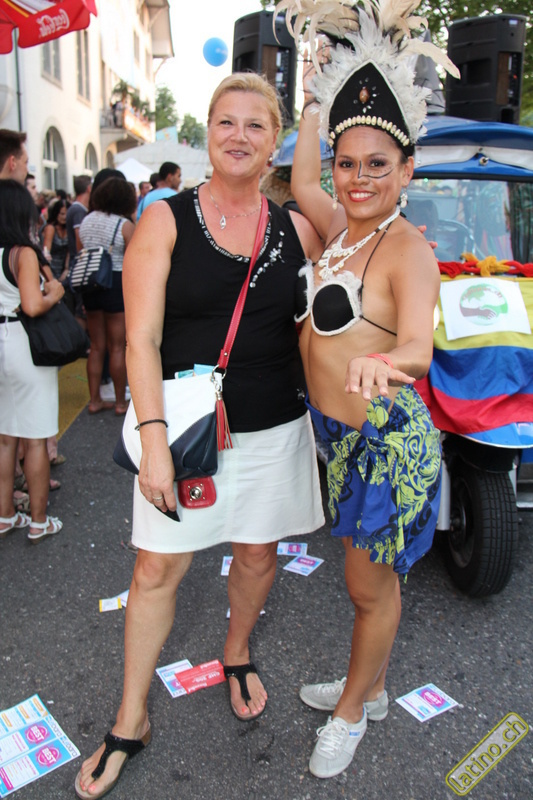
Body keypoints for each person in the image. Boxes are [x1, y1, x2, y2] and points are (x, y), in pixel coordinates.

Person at [74, 72, 325, 800]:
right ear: (207, 132)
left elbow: (364, 251)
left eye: (255, 125)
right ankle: (131, 717)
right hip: (182, 431)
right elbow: (141, 341)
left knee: (257, 554)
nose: (238, 136)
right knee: (156, 569)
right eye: (226, 122)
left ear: (273, 143)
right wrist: (152, 440)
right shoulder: (164, 219)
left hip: (273, 425)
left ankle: (236, 651)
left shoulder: (298, 227)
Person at [282, 0, 459, 780]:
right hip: (340, 439)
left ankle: (352, 712)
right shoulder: (340, 228)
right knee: (370, 584)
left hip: (387, 443)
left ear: (406, 170)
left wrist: (383, 365)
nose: (356, 179)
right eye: (347, 164)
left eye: (376, 165)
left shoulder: (405, 250)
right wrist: (312, 98)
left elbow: (418, 345)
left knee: (364, 588)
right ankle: (374, 686)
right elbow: (298, 177)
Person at [0, 180, 64, 542]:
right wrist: (54, 292)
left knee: (5, 437)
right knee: (36, 437)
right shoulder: (21, 253)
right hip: (24, 344)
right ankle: (39, 521)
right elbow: (33, 305)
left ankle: (5, 515)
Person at [79, 177, 136, 416]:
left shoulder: (86, 221)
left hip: (90, 284)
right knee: (117, 347)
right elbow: (135, 260)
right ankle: (120, 403)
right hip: (115, 283)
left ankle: (94, 400)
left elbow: (81, 252)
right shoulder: (124, 225)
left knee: (96, 346)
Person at [43, 198, 70, 281]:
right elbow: (46, 252)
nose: (65, 217)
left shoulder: (69, 229)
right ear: (56, 213)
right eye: (62, 214)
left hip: (64, 270)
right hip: (51, 269)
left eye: (67, 214)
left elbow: (69, 251)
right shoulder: (51, 228)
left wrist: (66, 269)